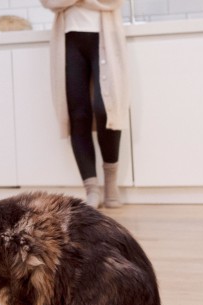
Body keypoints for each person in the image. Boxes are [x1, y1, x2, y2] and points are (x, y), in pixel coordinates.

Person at [41, 0, 130, 208]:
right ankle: (91, 189)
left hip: (104, 35)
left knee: (106, 110)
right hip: (68, 39)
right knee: (78, 114)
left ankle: (110, 182)